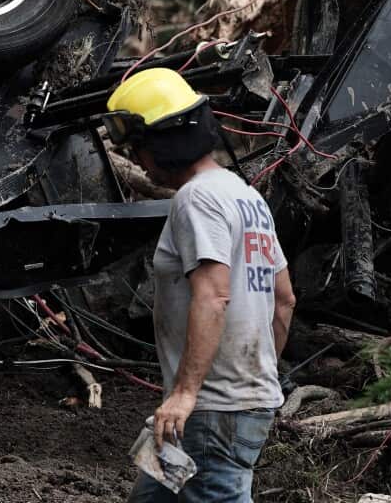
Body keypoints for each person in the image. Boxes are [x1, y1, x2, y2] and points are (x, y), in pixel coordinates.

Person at [103, 68, 297, 503]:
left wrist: (189, 393)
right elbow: (284, 301)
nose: (136, 159)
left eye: (138, 147)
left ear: (163, 144)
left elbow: (213, 295)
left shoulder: (196, 199)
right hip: (231, 407)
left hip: (210, 413)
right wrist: (252, 385)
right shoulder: (247, 197)